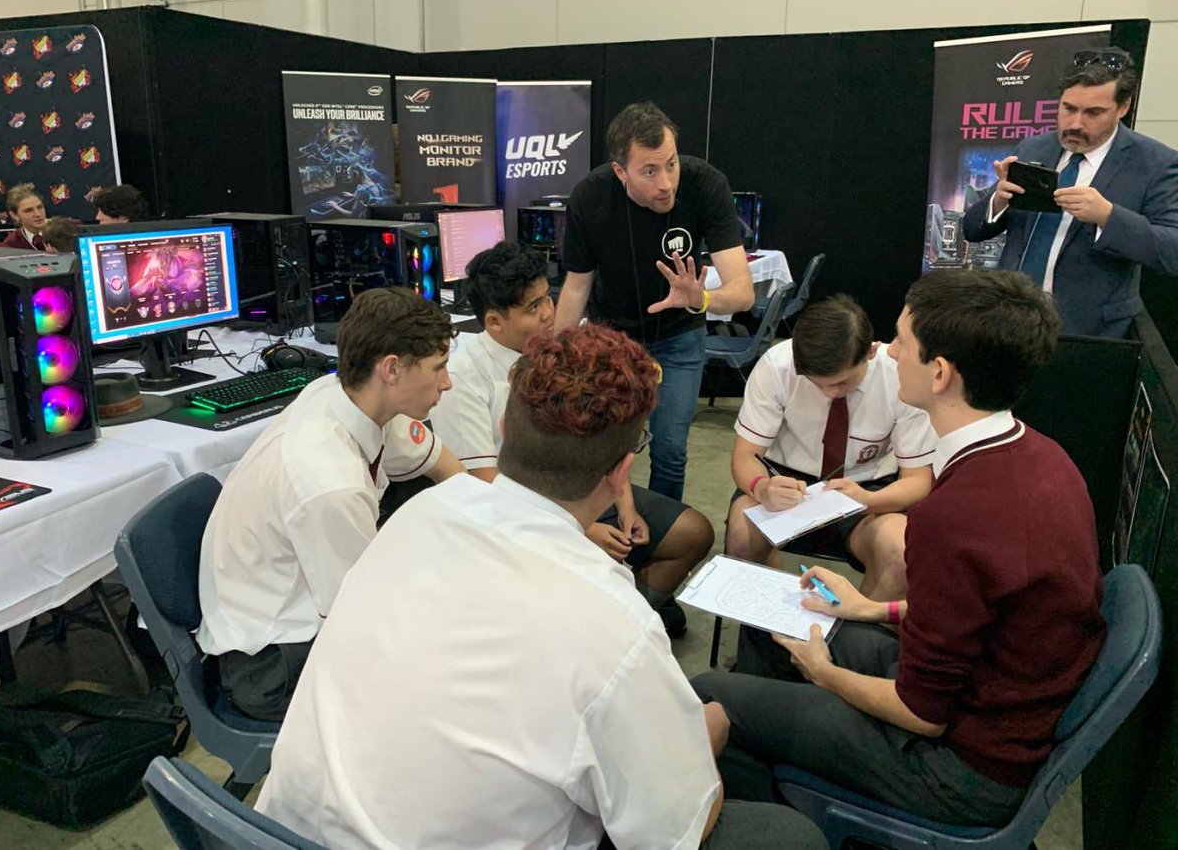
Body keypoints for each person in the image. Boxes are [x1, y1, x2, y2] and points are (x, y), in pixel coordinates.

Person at [256, 324, 827, 850]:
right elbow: (674, 827)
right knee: (787, 834)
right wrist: (706, 738)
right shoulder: (614, 625)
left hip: (283, 830)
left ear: (504, 431)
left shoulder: (413, 518)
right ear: (620, 472)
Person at [693, 269, 1106, 827]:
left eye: (901, 343)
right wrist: (870, 609)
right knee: (777, 636)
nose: (889, 352)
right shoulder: (1044, 457)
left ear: (939, 373)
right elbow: (986, 612)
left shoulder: (956, 516)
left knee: (711, 694)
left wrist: (825, 675)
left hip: (958, 766)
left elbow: (923, 713)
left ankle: (785, 825)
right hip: (983, 703)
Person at [196, 287, 466, 720]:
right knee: (452, 677)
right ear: (392, 369)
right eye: (439, 368)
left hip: (308, 608)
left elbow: (440, 464)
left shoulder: (345, 396)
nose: (447, 382)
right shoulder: (328, 481)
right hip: (273, 662)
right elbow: (363, 622)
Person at [430, 241, 714, 636]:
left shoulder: (564, 351)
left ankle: (630, 619)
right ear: (494, 322)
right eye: (532, 308)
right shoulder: (463, 378)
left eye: (547, 297)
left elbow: (605, 438)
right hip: (521, 513)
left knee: (694, 533)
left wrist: (624, 502)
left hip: (586, 486)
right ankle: (606, 625)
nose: (549, 313)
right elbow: (483, 483)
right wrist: (576, 527)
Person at [555, 101, 754, 501]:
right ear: (619, 171)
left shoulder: (705, 184)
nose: (666, 182)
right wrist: (556, 355)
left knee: (670, 450)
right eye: (649, 171)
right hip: (612, 337)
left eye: (671, 164)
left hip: (679, 336)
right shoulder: (590, 198)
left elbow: (743, 293)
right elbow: (576, 286)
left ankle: (667, 535)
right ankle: (602, 529)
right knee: (604, 447)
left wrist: (700, 299)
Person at [725, 295, 935, 600]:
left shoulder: (898, 376)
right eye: (816, 383)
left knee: (899, 550)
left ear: (872, 352)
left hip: (869, 489)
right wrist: (761, 488)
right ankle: (767, 638)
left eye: (842, 382)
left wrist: (867, 500)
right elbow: (745, 456)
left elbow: (918, 480)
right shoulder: (778, 365)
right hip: (787, 480)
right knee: (743, 531)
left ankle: (856, 642)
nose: (829, 393)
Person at [962, 46, 1178, 338]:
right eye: (1069, 109)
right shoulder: (1033, 147)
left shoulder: (1156, 163)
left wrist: (1107, 216)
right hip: (1010, 322)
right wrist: (999, 199)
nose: (1076, 123)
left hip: (1089, 330)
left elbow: (1171, 251)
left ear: (1123, 107)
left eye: (1093, 113)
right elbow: (972, 229)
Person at [1, 184, 47, 251]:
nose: (38, 214)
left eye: (40, 207)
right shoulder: (12, 243)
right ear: (14, 215)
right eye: (28, 210)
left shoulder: (62, 232)